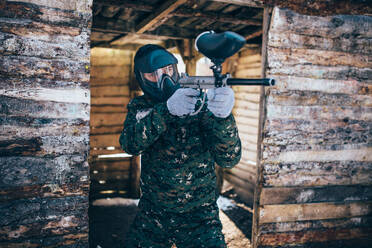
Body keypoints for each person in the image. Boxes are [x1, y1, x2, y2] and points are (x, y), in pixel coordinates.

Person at [119, 44, 241, 248]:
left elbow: (229, 158)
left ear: (176, 69)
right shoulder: (141, 107)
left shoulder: (199, 102)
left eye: (168, 70)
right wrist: (165, 111)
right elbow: (130, 145)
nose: (163, 78)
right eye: (152, 74)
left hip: (201, 218)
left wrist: (223, 118)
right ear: (141, 77)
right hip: (153, 216)